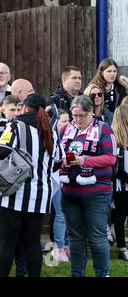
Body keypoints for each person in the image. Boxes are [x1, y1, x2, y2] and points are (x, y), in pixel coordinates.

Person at [0, 93, 61, 277]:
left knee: (7, 243)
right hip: (41, 196)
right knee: (32, 243)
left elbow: (1, 150)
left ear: (25, 108)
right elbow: (57, 162)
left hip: (14, 193)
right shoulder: (51, 131)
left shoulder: (16, 125)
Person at [60, 95, 116, 277]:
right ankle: (77, 274)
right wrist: (64, 163)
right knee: (75, 237)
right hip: (70, 192)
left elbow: (110, 158)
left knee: (97, 237)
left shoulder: (104, 129)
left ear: (91, 112)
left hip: (97, 192)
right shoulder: (66, 130)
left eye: (82, 115)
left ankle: (102, 274)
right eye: (74, 115)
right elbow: (57, 155)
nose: (77, 120)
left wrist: (85, 160)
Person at [50, 109, 70, 262]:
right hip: (55, 179)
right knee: (61, 212)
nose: (68, 124)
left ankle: (67, 245)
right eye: (64, 121)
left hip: (68, 179)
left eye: (69, 120)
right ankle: (59, 247)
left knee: (67, 213)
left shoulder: (70, 136)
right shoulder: (51, 137)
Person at [111, 105, 128, 262]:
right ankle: (122, 249)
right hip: (121, 187)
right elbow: (115, 168)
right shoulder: (114, 140)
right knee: (120, 217)